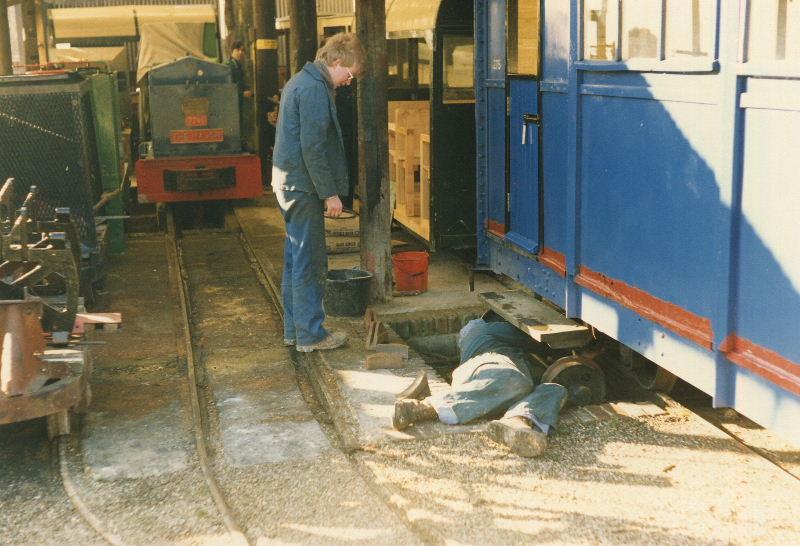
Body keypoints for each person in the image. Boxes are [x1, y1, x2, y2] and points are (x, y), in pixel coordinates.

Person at [271, 33, 365, 353]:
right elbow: (313, 149)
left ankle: (294, 331)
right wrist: (330, 194)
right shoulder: (313, 89)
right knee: (310, 261)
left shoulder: (301, 81)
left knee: (296, 259)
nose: (348, 82)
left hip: (290, 183)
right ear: (336, 63)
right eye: (349, 74)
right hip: (303, 186)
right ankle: (311, 335)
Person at [392, 316, 569, 458]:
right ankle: (425, 407)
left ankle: (517, 421)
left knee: (556, 389)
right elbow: (540, 341)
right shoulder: (482, 330)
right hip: (488, 366)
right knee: (516, 381)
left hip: (494, 380)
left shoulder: (483, 335)